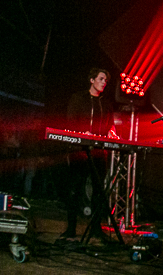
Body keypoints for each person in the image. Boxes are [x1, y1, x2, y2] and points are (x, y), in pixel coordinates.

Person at [60, 68, 116, 241]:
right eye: (101, 79)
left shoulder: (106, 104)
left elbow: (110, 125)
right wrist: (82, 133)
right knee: (75, 189)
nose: (104, 83)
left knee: (98, 190)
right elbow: (70, 120)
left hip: (99, 151)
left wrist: (111, 133)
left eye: (106, 80)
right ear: (92, 80)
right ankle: (71, 228)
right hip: (80, 149)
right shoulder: (78, 99)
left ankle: (96, 228)